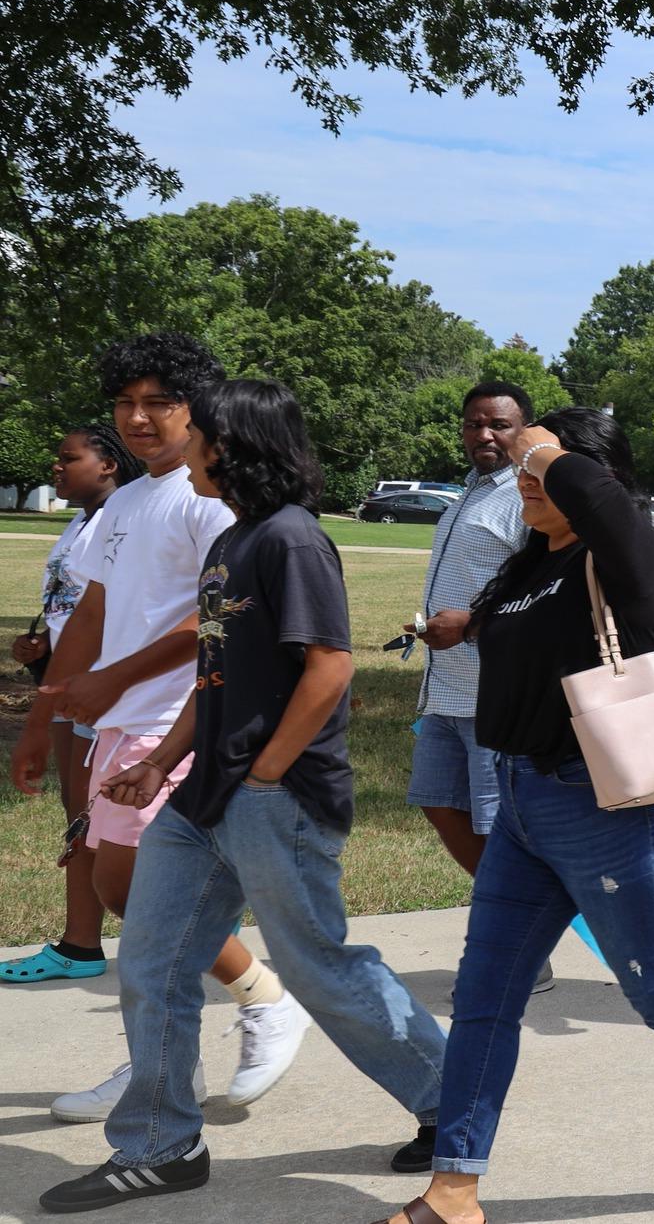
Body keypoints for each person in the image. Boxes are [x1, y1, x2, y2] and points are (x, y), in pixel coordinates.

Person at [38, 380, 447, 1215]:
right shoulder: (233, 543)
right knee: (153, 960)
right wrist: (165, 762)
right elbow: (213, 670)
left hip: (277, 797)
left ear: (235, 446)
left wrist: (265, 771)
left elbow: (329, 669)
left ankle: (456, 1107)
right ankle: (160, 1144)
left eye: (202, 439)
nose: (184, 450)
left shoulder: (291, 540)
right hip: (202, 796)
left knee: (317, 964)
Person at [384, 408, 654, 1224]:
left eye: (540, 466)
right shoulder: (536, 559)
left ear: (588, 474)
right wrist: (467, 627)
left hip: (615, 811)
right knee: (484, 995)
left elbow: (604, 508)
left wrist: (544, 448)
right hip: (526, 806)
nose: (522, 476)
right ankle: (454, 1189)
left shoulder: (626, 559)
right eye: (522, 466)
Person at [9, 333, 306, 1120]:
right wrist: (44, 714)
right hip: (119, 722)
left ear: (195, 408)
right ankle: (170, 1054)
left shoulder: (209, 496)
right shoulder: (129, 500)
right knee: (118, 886)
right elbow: (94, 610)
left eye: (158, 403)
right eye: (124, 403)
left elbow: (214, 616)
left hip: (181, 718)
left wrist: (119, 676)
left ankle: (261, 1002)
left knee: (143, 889)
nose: (137, 418)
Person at [404, 384, 557, 991]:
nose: (485, 435)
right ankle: (521, 923)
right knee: (438, 803)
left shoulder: (530, 495)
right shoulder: (467, 492)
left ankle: (521, 946)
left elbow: (545, 587)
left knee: (501, 828)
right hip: (444, 688)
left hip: (496, 693)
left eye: (499, 425)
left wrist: (469, 623)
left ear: (527, 430)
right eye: (474, 424)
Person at [2, 425, 142, 985]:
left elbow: (120, 613)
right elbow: (72, 609)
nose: (56, 467)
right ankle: (79, 945)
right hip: (68, 686)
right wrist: (43, 652)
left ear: (108, 465)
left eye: (69, 458)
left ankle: (199, 940)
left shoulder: (123, 520)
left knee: (105, 824)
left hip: (104, 693)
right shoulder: (82, 520)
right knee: (80, 820)